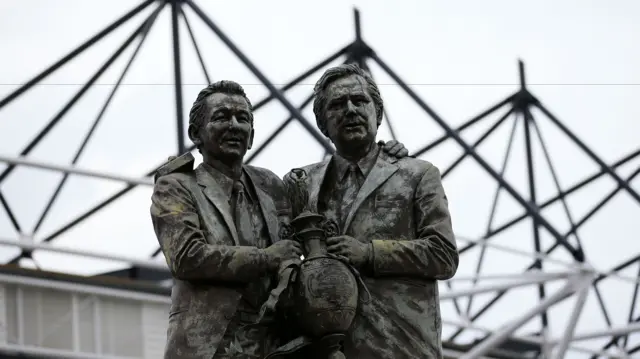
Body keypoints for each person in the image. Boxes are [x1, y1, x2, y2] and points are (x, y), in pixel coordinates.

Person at [150, 80, 409, 359]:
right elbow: (187, 258)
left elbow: (310, 238)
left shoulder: (270, 185)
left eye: (243, 118)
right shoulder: (176, 187)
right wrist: (265, 258)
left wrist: (378, 155)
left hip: (272, 348)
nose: (234, 125)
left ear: (251, 136)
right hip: (209, 348)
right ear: (195, 133)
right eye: (221, 117)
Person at [285, 64, 459, 359]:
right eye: (337, 105)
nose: (350, 110)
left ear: (378, 113)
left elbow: (443, 255)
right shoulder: (302, 184)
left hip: (401, 345)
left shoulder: (418, 174)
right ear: (322, 123)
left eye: (359, 100)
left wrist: (370, 253)